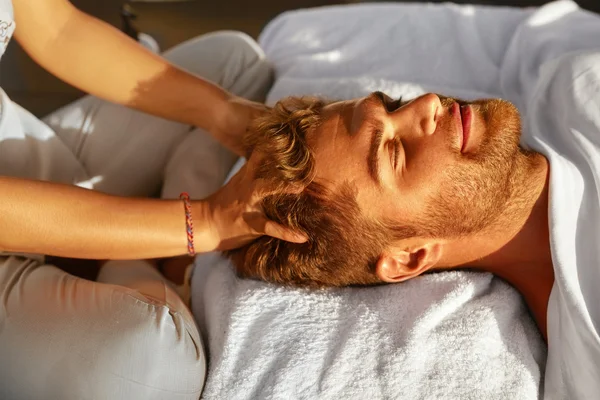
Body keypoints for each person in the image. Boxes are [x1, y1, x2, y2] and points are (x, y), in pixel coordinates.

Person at [228, 53, 600, 399]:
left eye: (394, 104)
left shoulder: (570, 83)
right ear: (409, 257)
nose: (428, 103)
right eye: (395, 152)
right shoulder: (588, 349)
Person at [0, 0, 306, 399]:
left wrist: (219, 112)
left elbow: (57, 29)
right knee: (152, 365)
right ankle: (129, 253)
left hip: (20, 156)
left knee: (238, 65)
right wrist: (204, 222)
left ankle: (127, 244)